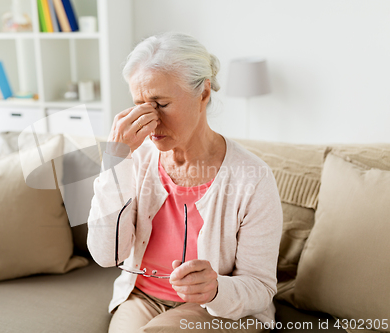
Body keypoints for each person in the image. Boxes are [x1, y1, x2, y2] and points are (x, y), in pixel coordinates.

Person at [87, 31, 283, 333]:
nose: (149, 120)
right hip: (142, 297)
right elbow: (106, 255)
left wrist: (215, 288)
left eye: (161, 104)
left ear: (203, 93)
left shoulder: (252, 177)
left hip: (217, 309)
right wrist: (115, 161)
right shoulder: (134, 160)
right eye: (140, 105)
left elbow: (260, 287)